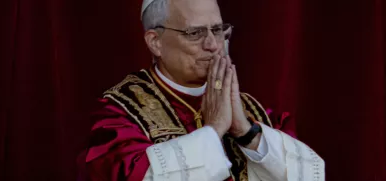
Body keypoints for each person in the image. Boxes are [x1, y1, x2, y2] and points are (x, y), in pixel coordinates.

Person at [82, 0, 325, 180]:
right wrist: (214, 129)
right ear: (155, 42)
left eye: (217, 30)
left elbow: (311, 174)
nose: (212, 45)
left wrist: (246, 133)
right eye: (195, 33)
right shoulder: (121, 113)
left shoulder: (250, 110)